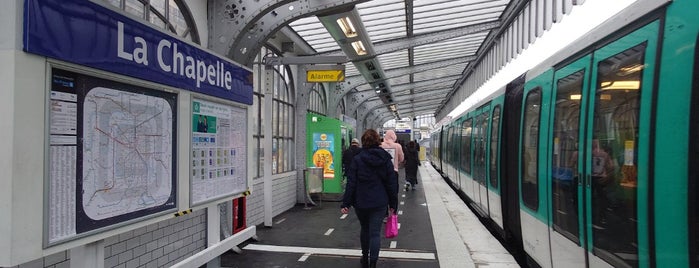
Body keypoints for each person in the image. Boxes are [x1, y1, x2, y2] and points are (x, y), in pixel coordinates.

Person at [341, 129, 398, 268]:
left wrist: (346, 203)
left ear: (363, 142)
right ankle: (373, 263)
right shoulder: (385, 159)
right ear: (377, 140)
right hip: (379, 202)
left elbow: (351, 183)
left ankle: (364, 258)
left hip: (361, 202)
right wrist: (393, 204)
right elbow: (391, 184)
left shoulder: (357, 159)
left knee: (365, 229)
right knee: (375, 233)